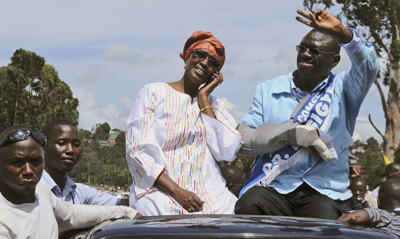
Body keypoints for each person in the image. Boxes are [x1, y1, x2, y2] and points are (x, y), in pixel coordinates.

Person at [235, 9, 379, 220]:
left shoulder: (344, 87)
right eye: (302, 48)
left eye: (314, 51)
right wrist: (289, 134)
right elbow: (243, 141)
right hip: (276, 187)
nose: (305, 54)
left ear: (335, 61)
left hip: (324, 190)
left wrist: (342, 33)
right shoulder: (268, 89)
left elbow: (368, 65)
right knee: (249, 204)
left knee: (321, 218)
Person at [126, 30, 243, 216]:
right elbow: (137, 151)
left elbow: (226, 151)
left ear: (216, 73)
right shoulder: (153, 92)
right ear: (187, 57)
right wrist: (177, 191)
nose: (204, 63)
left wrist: (203, 98)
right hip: (160, 190)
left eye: (213, 62)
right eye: (200, 55)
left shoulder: (214, 105)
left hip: (212, 194)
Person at [0, 125, 140, 239]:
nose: (29, 171)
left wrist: (126, 212)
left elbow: (70, 215)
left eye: (36, 161)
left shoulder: (40, 190)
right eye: (17, 162)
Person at [41, 119, 121, 205]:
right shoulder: (31, 189)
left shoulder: (79, 193)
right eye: (61, 143)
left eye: (76, 145)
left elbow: (120, 203)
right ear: (44, 147)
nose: (71, 150)